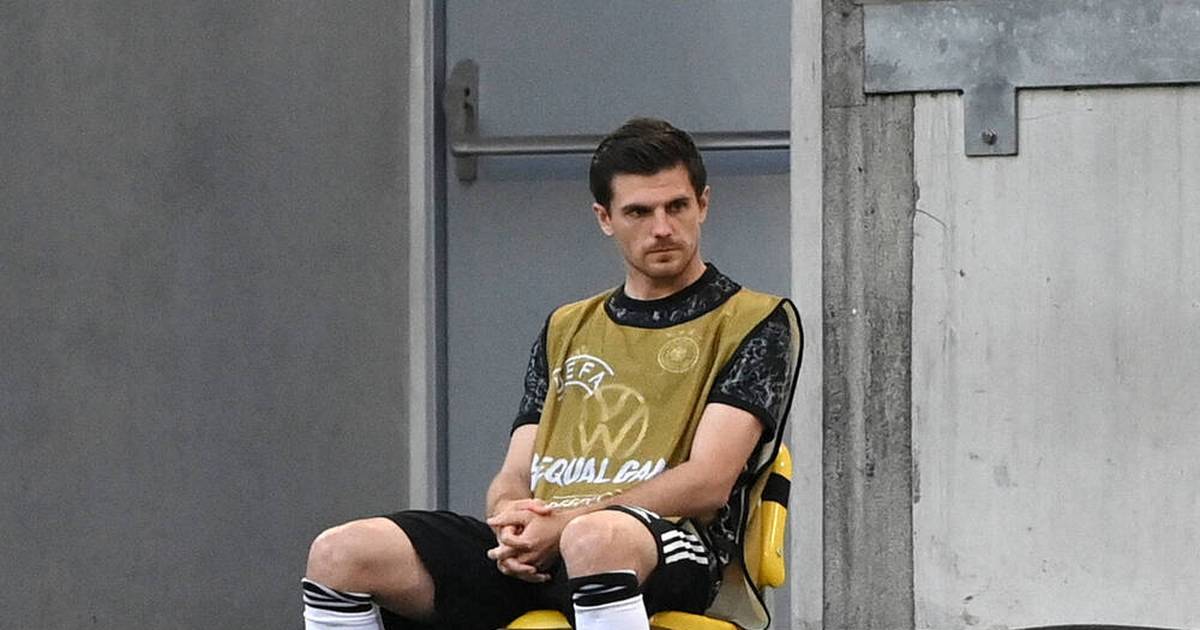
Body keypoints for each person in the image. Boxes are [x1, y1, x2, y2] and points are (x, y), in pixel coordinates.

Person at [301, 118, 802, 630]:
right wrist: (512, 519)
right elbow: (518, 469)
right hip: (550, 542)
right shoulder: (567, 326)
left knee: (595, 540)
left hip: (672, 546)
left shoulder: (755, 320)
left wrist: (568, 523)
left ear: (703, 204)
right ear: (605, 218)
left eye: (676, 206)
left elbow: (709, 482)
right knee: (340, 554)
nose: (662, 228)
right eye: (638, 211)